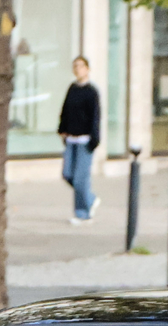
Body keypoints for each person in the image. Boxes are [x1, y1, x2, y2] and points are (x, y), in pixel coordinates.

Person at [58, 57, 101, 224]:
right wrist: (62, 129)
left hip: (85, 140)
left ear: (88, 69)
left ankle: (83, 214)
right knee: (67, 174)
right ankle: (90, 199)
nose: (78, 69)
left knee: (80, 179)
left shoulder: (92, 92)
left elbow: (95, 117)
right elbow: (65, 110)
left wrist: (94, 139)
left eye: (81, 66)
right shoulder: (72, 89)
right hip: (71, 139)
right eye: (75, 66)